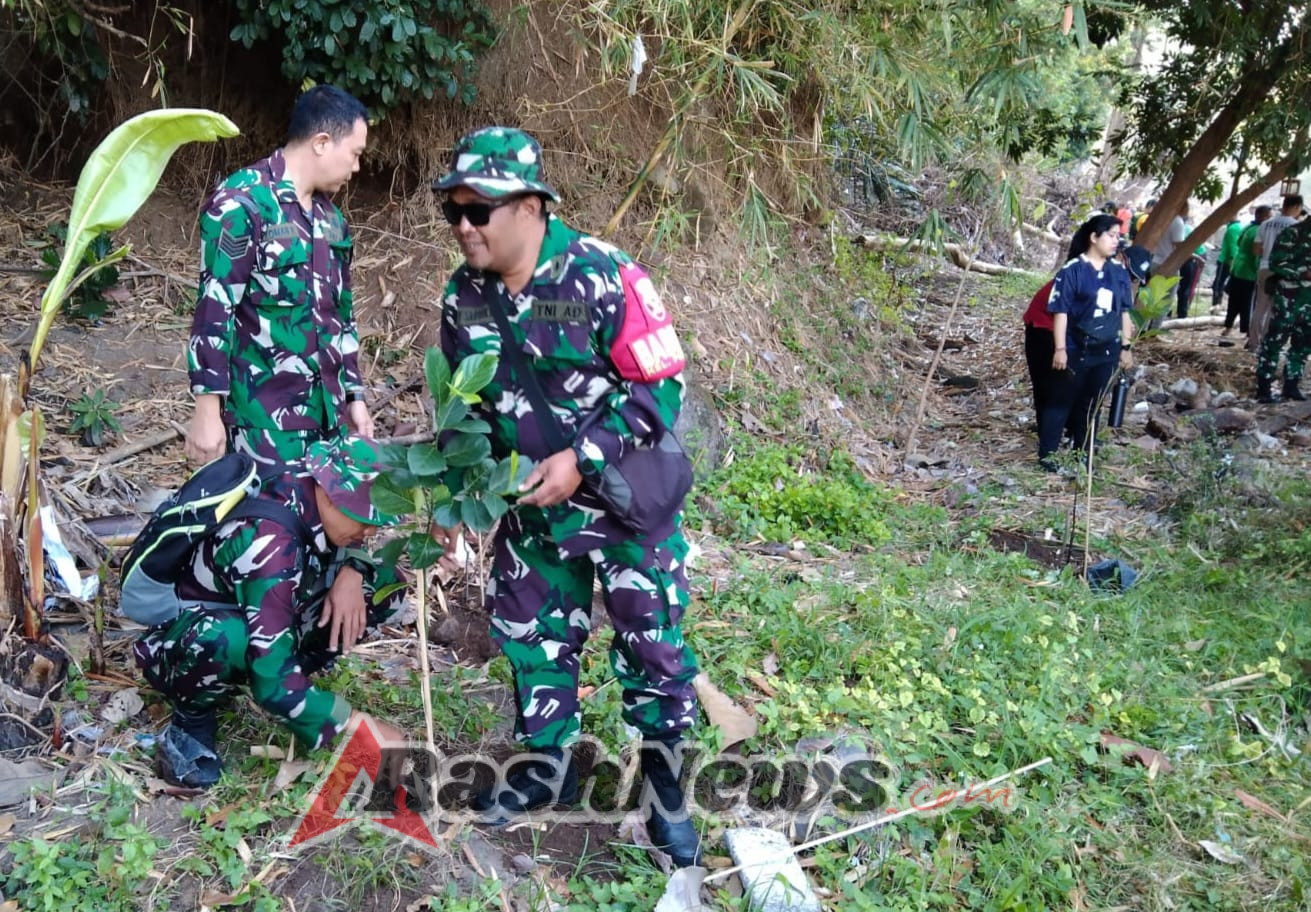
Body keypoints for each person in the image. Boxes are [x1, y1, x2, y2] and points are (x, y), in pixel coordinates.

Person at [429, 126, 702, 866]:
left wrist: (582, 457)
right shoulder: (466, 298)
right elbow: (465, 407)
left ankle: (665, 792)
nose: (463, 226)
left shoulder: (603, 276)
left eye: (478, 211)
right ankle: (548, 764)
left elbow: (661, 386)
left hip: (622, 504)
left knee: (653, 647)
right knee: (532, 636)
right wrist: (460, 490)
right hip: (532, 513)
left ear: (529, 207)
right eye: (452, 211)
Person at [133, 434, 407, 788]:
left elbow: (352, 552)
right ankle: (192, 721)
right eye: (360, 517)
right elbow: (271, 684)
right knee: (226, 639)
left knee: (382, 583)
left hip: (262, 605)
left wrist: (353, 569)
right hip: (185, 640)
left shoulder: (303, 486)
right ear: (327, 491)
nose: (369, 530)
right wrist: (358, 725)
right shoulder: (270, 545)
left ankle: (298, 675)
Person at [185, 85, 375, 479]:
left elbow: (342, 316)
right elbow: (214, 310)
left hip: (329, 423)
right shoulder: (243, 204)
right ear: (322, 143)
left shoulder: (330, 220)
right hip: (264, 427)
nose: (356, 168)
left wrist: (354, 396)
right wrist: (206, 412)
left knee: (327, 535)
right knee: (267, 534)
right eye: (354, 154)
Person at [1038, 214, 1136, 469]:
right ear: (1094, 237)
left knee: (1092, 404)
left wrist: (1126, 347)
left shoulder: (1118, 273)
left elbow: (1124, 312)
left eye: (1118, 236)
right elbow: (1061, 311)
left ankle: (1083, 455)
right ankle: (1048, 456)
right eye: (1111, 236)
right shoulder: (1073, 270)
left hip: (1106, 349)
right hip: (1074, 346)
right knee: (1061, 400)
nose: (1116, 241)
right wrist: (1060, 348)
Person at [1256, 216, 1311, 402]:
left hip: (1308, 302)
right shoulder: (1293, 232)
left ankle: (1291, 386)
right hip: (1289, 299)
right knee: (1274, 342)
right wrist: (1304, 273)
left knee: (1302, 346)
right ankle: (1263, 388)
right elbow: (1277, 263)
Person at [1251, 194, 1303, 353]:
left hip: (1264, 267)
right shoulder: (1297, 226)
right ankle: (1267, 344)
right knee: (1275, 308)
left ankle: (1253, 343)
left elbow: (1256, 250)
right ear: (1296, 207)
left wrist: (1268, 251)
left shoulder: (1266, 224)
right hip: (1283, 271)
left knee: (1260, 306)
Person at [1228, 207, 1269, 345]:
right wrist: (1259, 269)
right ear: (1263, 217)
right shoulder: (1260, 231)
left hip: (1238, 266)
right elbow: (1257, 253)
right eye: (1269, 216)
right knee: (1247, 303)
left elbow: (1239, 243)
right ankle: (1247, 330)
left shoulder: (1247, 227)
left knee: (1233, 300)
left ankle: (1228, 326)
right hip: (1249, 271)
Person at [1212, 215, 1244, 311]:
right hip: (1231, 261)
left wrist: (1232, 264)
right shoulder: (1237, 227)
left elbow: (1233, 248)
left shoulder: (1232, 229)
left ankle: (1216, 307)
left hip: (1225, 262)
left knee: (1217, 285)